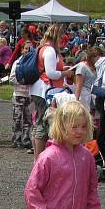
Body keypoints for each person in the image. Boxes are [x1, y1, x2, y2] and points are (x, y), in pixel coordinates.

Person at [30, 24, 73, 159]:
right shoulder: (50, 50)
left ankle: (41, 158)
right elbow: (51, 73)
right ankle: (41, 158)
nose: (62, 40)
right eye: (61, 37)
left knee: (40, 123)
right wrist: (65, 73)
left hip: (41, 89)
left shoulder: (43, 48)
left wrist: (61, 69)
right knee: (44, 124)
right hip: (45, 90)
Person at [9, 44, 33, 150]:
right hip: (19, 94)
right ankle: (16, 139)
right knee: (17, 119)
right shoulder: (17, 63)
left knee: (28, 120)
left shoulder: (33, 64)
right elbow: (11, 79)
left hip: (29, 95)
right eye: (26, 48)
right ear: (22, 50)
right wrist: (23, 81)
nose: (28, 51)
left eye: (30, 49)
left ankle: (26, 139)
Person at [74, 46, 100, 110]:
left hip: (92, 95)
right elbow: (78, 85)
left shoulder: (96, 67)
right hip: (83, 95)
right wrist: (76, 101)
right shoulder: (82, 67)